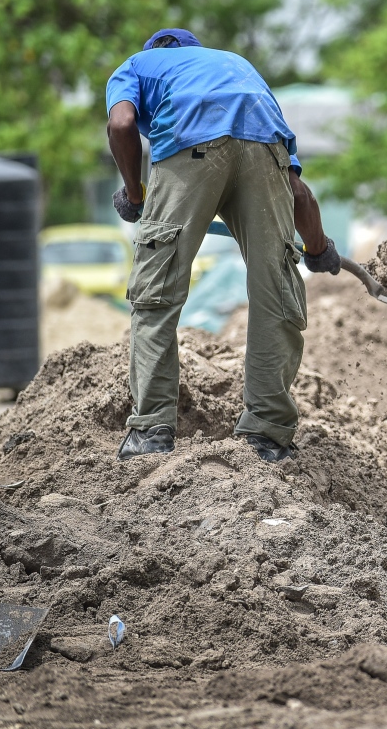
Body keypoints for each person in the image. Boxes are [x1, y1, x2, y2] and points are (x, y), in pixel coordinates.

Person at [105, 28, 339, 463]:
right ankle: (267, 434)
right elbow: (299, 193)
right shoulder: (237, 67)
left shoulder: (136, 66)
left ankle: (152, 431)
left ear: (156, 51)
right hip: (263, 153)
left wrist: (135, 195)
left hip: (188, 148)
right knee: (275, 287)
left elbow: (120, 124)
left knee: (157, 291)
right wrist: (318, 248)